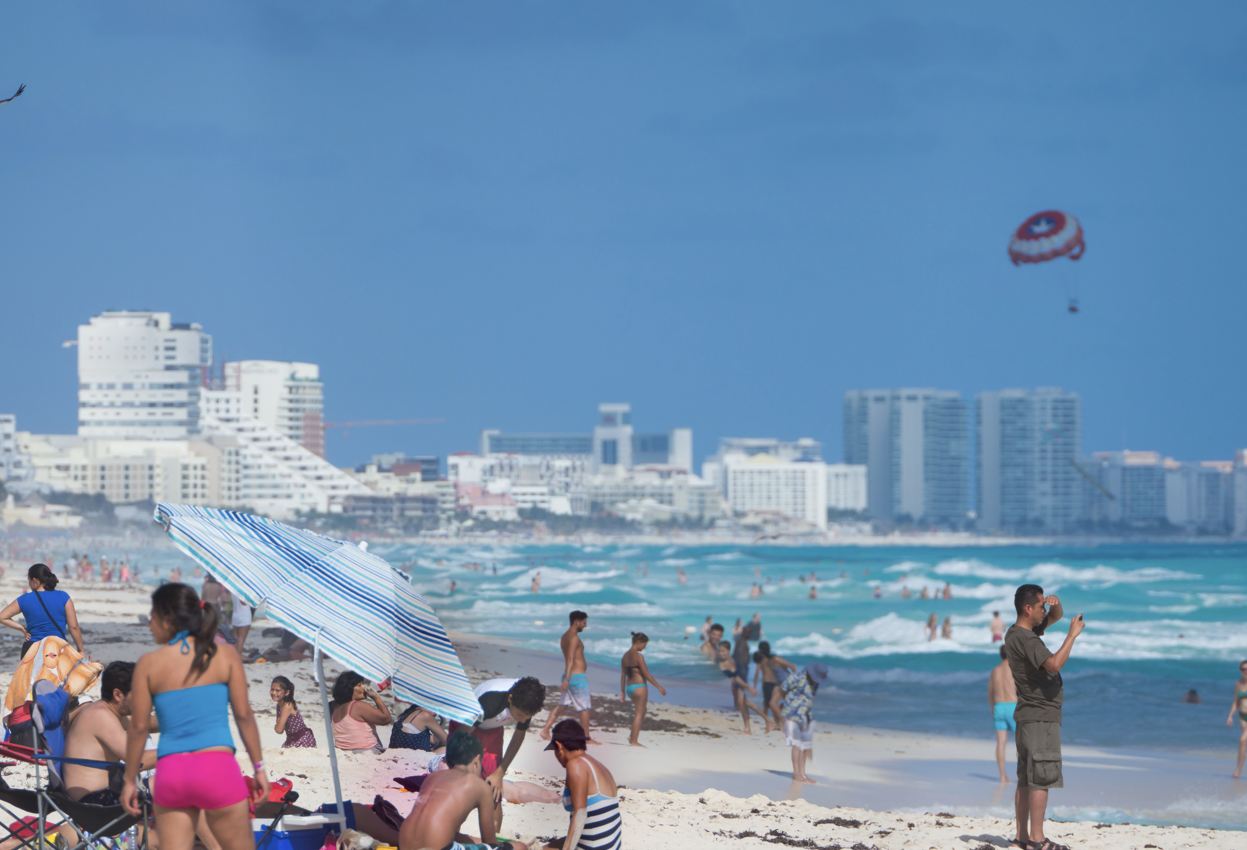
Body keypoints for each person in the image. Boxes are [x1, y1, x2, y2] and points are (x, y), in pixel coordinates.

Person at [121, 582, 269, 850]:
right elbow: (244, 716)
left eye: (152, 617)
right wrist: (259, 768)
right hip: (217, 769)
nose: (149, 624)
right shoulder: (225, 656)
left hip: (172, 773)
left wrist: (130, 780)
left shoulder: (149, 664)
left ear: (167, 620)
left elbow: (139, 728)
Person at [1004, 584, 1084, 850]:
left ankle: (1022, 837)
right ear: (1028, 609)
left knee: (1027, 778)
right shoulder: (1027, 639)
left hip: (1028, 715)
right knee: (1040, 778)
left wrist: (1056, 604)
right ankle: (1037, 840)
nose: (1044, 611)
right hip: (1039, 716)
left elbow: (1056, 617)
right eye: (1041, 606)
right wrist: (1072, 636)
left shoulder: (1016, 633)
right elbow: (1053, 664)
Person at [448, 676, 547, 833]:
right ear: (510, 698)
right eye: (520, 715)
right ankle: (452, 833)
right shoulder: (490, 701)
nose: (522, 719)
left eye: (526, 716)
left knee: (494, 790)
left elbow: (518, 736)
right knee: (462, 782)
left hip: (493, 729)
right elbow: (461, 736)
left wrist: (500, 772)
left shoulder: (528, 700)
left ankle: (494, 841)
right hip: (466, 727)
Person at [398, 731, 528, 850]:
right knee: (519, 847)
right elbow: (489, 842)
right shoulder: (479, 785)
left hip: (404, 843)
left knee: (463, 838)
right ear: (477, 761)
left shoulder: (432, 777)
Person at [63, 662, 157, 805]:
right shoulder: (100, 717)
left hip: (105, 794)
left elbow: (145, 723)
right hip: (96, 802)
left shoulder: (106, 711)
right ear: (118, 694)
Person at [542, 719, 621, 850]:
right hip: (611, 845)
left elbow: (580, 814)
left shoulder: (576, 765)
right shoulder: (598, 766)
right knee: (547, 847)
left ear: (559, 746)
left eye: (554, 750)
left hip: (595, 847)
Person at [0, 564, 85, 660]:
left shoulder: (24, 599)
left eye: (29, 580)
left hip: (32, 649)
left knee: (27, 675)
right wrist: (80, 649)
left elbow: (2, 617)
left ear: (35, 581)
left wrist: (21, 628)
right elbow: (73, 627)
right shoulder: (64, 597)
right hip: (57, 648)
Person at [541, 611, 594, 743]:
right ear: (576, 621)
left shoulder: (564, 636)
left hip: (569, 675)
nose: (585, 625)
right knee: (584, 708)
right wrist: (567, 679)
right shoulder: (574, 638)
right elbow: (570, 659)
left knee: (562, 706)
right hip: (576, 677)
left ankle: (545, 729)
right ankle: (586, 738)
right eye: (584, 622)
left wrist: (566, 678)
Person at [780, 663, 829, 784]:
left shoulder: (815, 683)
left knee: (805, 746)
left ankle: (803, 774)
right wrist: (788, 704)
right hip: (792, 713)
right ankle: (796, 774)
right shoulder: (797, 677)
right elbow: (782, 689)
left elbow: (810, 699)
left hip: (806, 714)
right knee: (797, 744)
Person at [619, 632, 665, 747]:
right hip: (639, 687)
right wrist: (658, 686)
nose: (644, 648)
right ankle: (634, 741)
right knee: (639, 714)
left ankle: (631, 736)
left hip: (629, 688)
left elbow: (622, 675)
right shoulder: (639, 656)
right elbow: (647, 674)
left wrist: (622, 692)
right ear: (639, 642)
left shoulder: (625, 656)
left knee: (641, 711)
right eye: (644, 645)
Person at [330, 671, 392, 752]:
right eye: (359, 685)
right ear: (349, 688)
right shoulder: (357, 706)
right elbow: (386, 719)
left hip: (343, 751)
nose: (363, 688)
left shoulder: (333, 706)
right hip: (366, 750)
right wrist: (376, 697)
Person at [717, 641, 766, 734]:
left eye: (723, 651)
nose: (721, 653)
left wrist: (749, 687)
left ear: (728, 650)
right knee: (741, 705)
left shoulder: (733, 660)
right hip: (735, 685)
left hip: (741, 683)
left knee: (743, 704)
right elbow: (733, 677)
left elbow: (738, 676)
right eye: (720, 651)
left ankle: (751, 726)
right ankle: (759, 722)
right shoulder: (722, 663)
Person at [988, 647, 1018, 784]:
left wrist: (992, 709)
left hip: (998, 707)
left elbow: (990, 693)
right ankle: (1022, 775)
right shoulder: (1015, 668)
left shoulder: (995, 670)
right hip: (1012, 706)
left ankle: (1002, 776)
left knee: (1000, 743)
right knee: (1021, 743)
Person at [753, 641, 797, 733]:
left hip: (787, 683)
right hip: (780, 684)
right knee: (773, 703)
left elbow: (793, 666)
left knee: (774, 704)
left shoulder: (775, 659)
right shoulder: (767, 660)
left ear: (761, 650)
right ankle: (782, 723)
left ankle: (784, 723)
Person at [270, 676, 316, 748]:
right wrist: (277, 725)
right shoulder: (279, 705)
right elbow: (279, 728)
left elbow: (279, 730)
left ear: (287, 692)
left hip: (302, 738)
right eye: (272, 689)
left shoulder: (287, 706)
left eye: (277, 690)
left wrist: (276, 726)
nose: (273, 692)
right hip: (291, 739)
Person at [1226, 659, 1247, 778]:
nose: (1246, 671)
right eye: (1244, 669)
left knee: (1243, 740)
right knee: (1243, 743)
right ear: (1240, 671)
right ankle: (1239, 769)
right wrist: (1230, 715)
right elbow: (1235, 702)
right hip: (1243, 716)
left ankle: (1238, 770)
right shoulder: (1238, 684)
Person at [228, 592, 252, 657]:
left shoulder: (233, 589)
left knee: (236, 639)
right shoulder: (243, 589)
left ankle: (234, 655)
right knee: (241, 639)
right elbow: (243, 602)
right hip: (244, 615)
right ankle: (238, 657)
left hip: (235, 614)